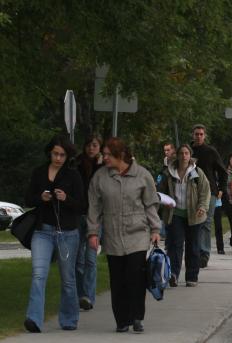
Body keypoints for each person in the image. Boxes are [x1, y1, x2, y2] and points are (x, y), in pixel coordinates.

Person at [87, 137, 161, 333]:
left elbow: (150, 204)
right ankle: (121, 320)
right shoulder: (100, 177)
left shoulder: (142, 175)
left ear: (120, 155)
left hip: (137, 233)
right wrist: (92, 232)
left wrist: (155, 229)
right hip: (112, 234)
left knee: (135, 277)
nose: (104, 158)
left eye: (107, 155)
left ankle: (137, 317)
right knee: (117, 279)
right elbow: (94, 207)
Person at [23, 136, 84, 333]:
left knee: (67, 278)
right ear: (50, 152)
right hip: (43, 231)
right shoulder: (39, 172)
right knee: (38, 274)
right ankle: (34, 319)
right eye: (55, 154)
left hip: (67, 232)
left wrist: (66, 198)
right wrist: (41, 198)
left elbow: (82, 206)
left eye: (62, 155)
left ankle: (69, 318)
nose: (58, 158)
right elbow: (28, 199)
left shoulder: (73, 176)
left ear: (67, 156)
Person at [158, 144, 211, 287]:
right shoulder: (169, 172)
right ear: (177, 155)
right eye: (181, 153)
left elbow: (205, 192)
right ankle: (173, 274)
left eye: (186, 153)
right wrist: (162, 204)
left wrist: (202, 207)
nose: (184, 156)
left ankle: (191, 276)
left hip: (194, 214)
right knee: (175, 245)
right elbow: (160, 192)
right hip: (175, 213)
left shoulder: (197, 172)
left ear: (190, 155)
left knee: (193, 246)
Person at [190, 124, 227, 268]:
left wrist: (222, 189)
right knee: (194, 222)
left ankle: (204, 254)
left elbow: (223, 171)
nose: (198, 136)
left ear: (204, 136)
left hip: (210, 191)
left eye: (201, 134)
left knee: (206, 222)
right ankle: (194, 252)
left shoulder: (210, 151)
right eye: (196, 134)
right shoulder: (188, 151)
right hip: (192, 191)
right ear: (193, 135)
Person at [74, 134, 103, 312]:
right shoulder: (77, 164)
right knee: (78, 260)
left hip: (96, 218)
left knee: (90, 259)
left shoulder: (103, 167)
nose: (91, 148)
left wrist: (100, 165)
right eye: (89, 145)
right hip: (78, 215)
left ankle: (89, 296)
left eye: (95, 145)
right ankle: (80, 295)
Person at [156, 142, 176, 241]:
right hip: (165, 197)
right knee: (165, 218)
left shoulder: (177, 164)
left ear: (173, 150)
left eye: (168, 150)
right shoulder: (163, 166)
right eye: (165, 150)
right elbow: (160, 181)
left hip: (175, 196)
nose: (166, 152)